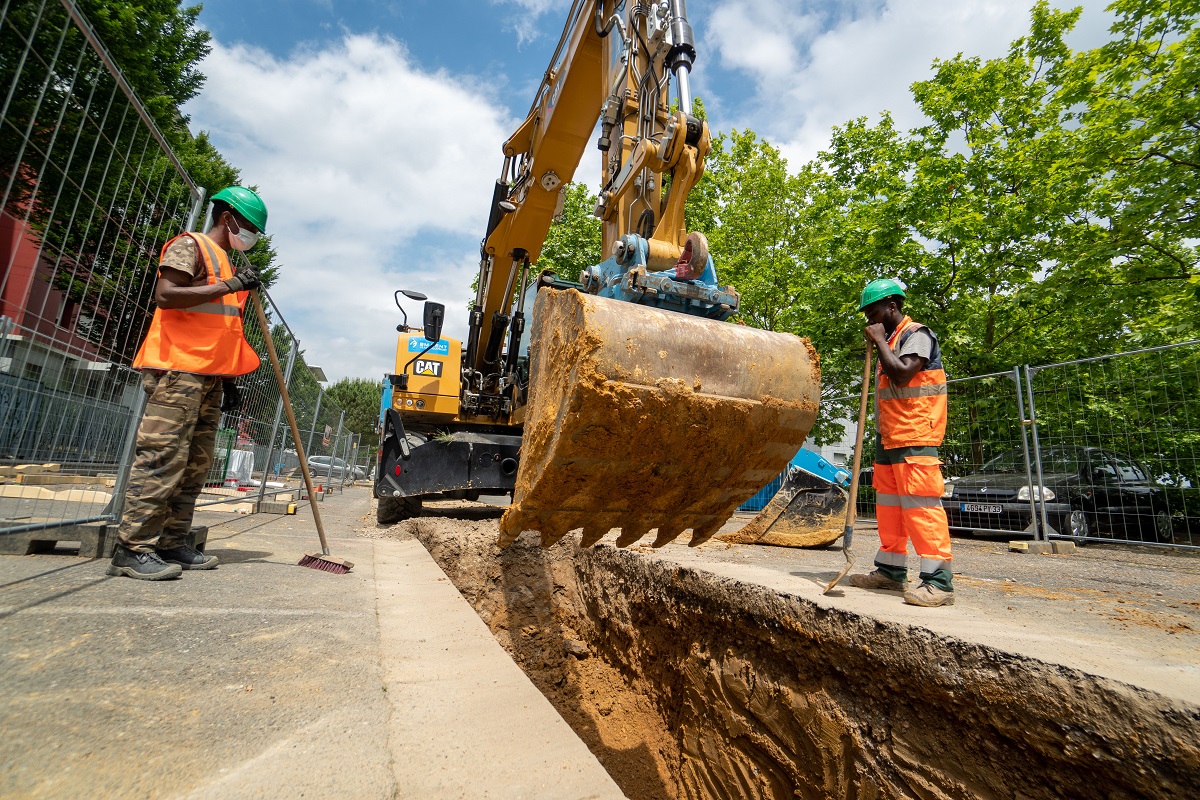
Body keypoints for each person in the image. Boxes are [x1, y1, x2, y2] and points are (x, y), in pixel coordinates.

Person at [107, 186, 266, 580]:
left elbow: (219, 327)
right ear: (227, 217)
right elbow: (166, 294)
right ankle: (132, 549)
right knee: (162, 458)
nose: (250, 236)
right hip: (177, 371)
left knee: (195, 465)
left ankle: (172, 541)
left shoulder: (227, 264)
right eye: (247, 226)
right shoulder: (190, 245)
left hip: (208, 377)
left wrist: (228, 381)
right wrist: (231, 287)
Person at [848, 278, 954, 607]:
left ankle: (939, 582)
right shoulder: (891, 339)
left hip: (915, 435)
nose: (870, 320)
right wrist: (881, 339)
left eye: (874, 312)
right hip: (890, 437)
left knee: (921, 507)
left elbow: (903, 374)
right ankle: (891, 572)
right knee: (890, 507)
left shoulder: (917, 335)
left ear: (892, 306)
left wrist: (879, 340)